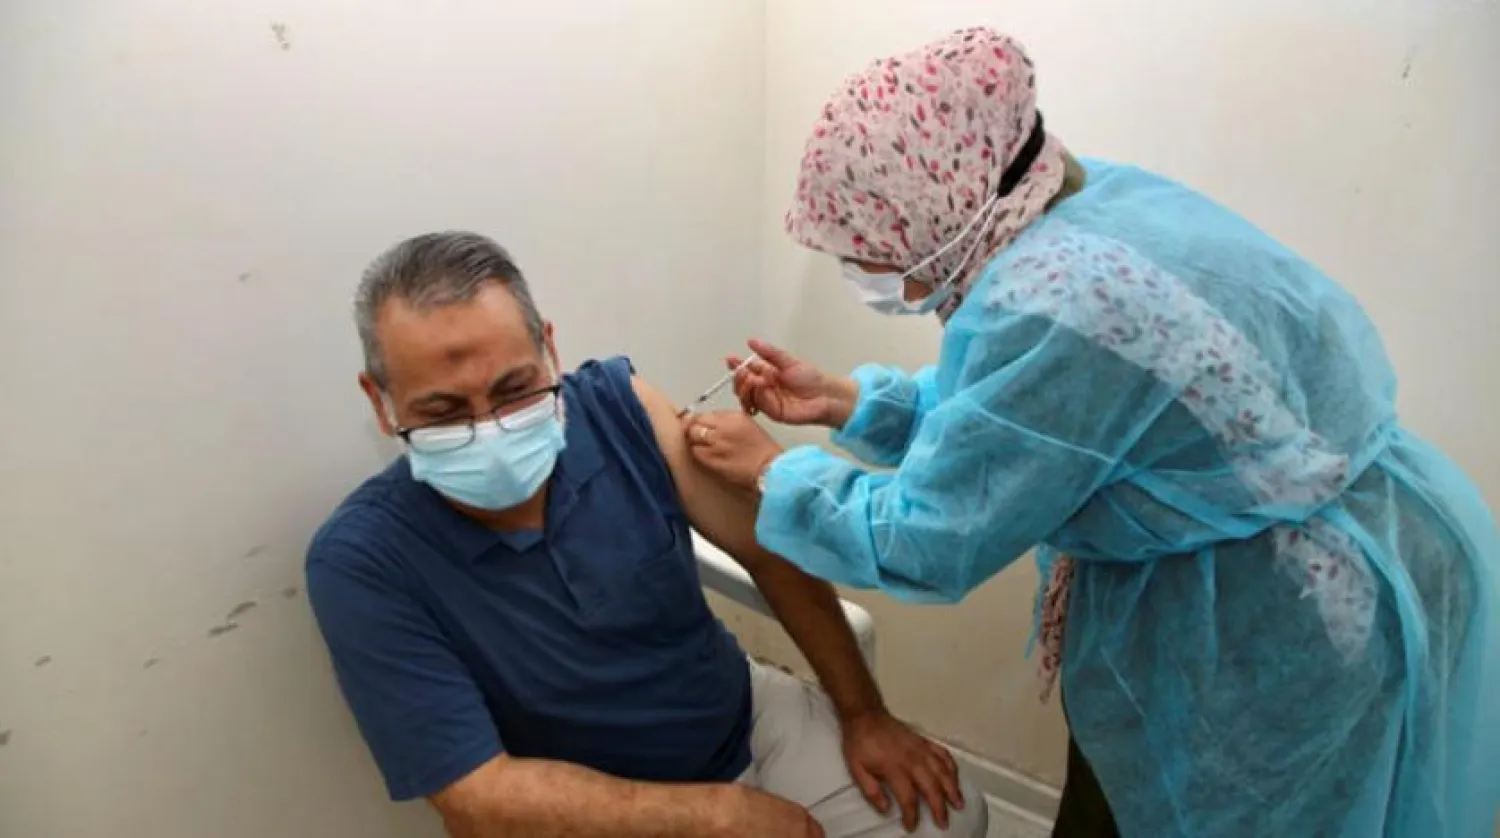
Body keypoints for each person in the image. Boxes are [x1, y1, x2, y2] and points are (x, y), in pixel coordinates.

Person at [683, 26, 1499, 838]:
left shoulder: (1056, 303)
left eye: (866, 251)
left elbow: (928, 537)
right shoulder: (1075, 198)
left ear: (935, 204)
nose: (862, 272)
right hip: (1364, 540)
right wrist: (847, 401)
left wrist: (773, 473)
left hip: (1306, 613)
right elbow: (1049, 423)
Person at [305, 232, 988, 838]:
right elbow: (478, 800)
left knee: (950, 816)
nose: (491, 429)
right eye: (445, 412)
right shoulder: (363, 561)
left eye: (515, 390)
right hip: (590, 814)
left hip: (742, 719)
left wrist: (864, 712)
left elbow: (769, 549)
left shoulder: (618, 405)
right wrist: (717, 816)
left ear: (550, 348)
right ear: (381, 401)